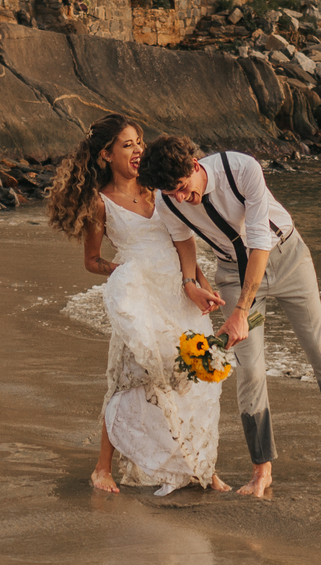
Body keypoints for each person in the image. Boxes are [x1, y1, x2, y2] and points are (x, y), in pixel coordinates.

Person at [136, 136, 321, 497]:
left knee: (318, 347)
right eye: (172, 193)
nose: (181, 198)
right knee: (249, 369)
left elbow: (259, 240)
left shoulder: (241, 168)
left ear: (196, 166)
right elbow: (183, 239)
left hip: (285, 255)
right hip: (231, 272)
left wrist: (241, 312)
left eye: (183, 188)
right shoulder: (170, 201)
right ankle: (262, 470)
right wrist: (189, 282)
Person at [47, 115, 231, 496]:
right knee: (131, 379)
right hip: (139, 299)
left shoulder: (159, 190)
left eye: (139, 142)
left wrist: (201, 284)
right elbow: (92, 260)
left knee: (196, 376)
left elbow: (184, 243)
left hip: (180, 294)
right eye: (127, 144)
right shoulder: (101, 204)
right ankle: (102, 468)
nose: (137, 150)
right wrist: (125, 272)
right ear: (106, 155)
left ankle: (202, 466)